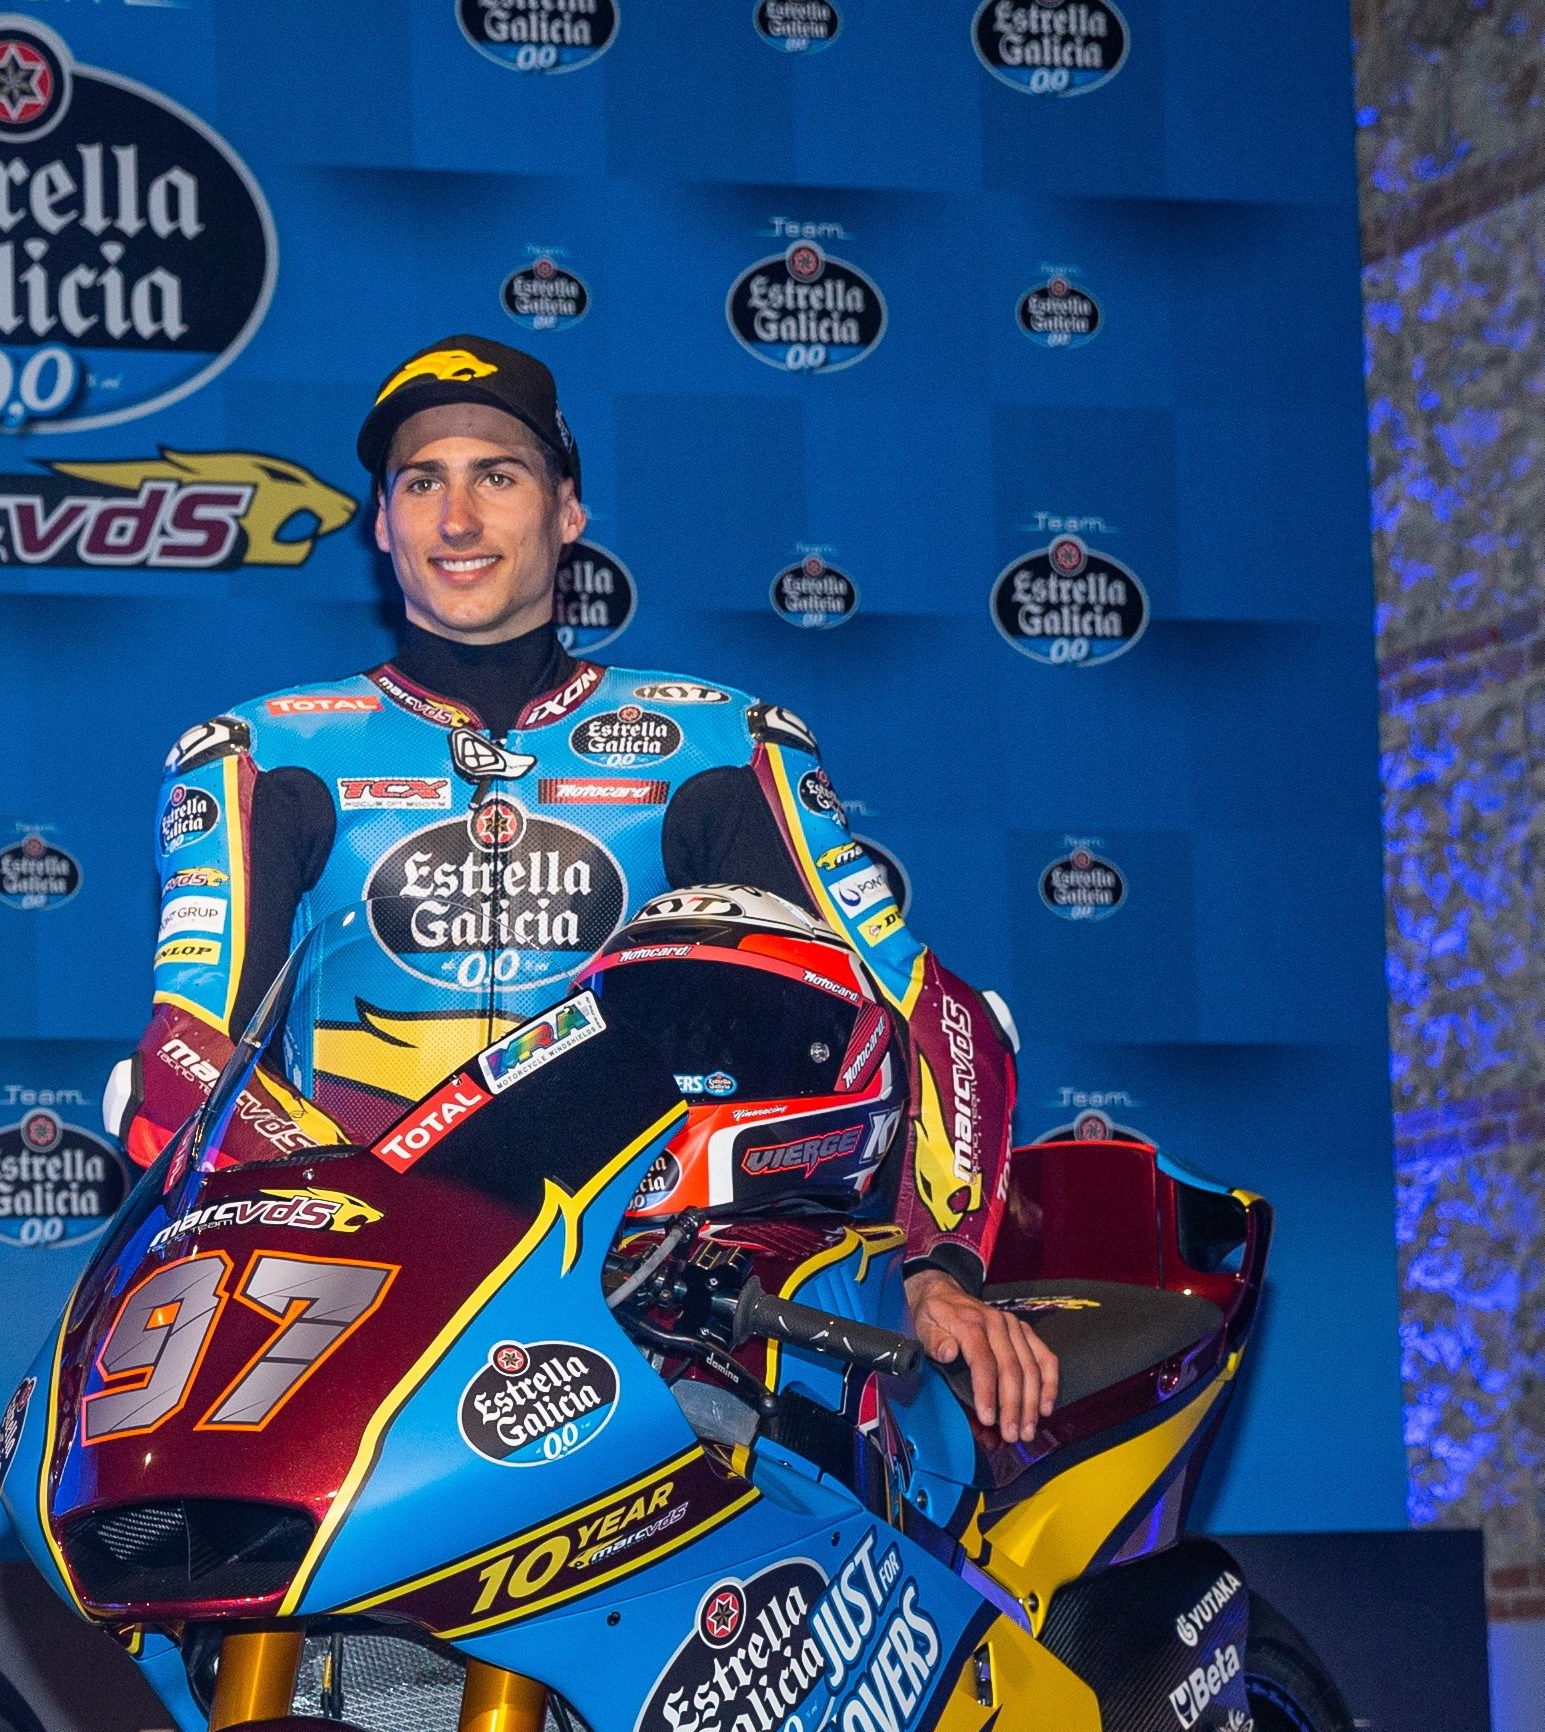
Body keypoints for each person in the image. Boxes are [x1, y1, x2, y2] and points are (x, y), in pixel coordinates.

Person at [106, 332, 1058, 1441]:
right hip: (354, 1320)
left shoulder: (719, 742)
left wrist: (938, 1268)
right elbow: (185, 1061)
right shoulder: (259, 755)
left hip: (653, 1323)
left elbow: (923, 1010)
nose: (456, 520)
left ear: (569, 512)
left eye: (497, 477)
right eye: (422, 483)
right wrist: (364, 1230)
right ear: (381, 523)